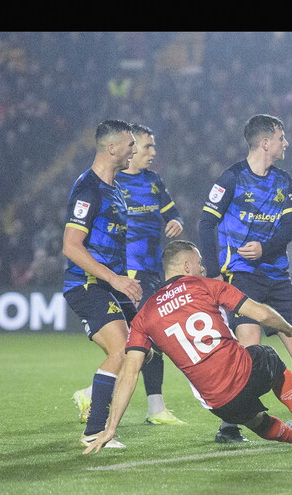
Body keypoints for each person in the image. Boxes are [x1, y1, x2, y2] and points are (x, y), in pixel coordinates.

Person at [82, 240, 292, 453]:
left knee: (256, 421)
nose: (203, 268)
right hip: (244, 373)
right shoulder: (206, 286)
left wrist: (111, 427)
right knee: (268, 356)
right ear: (187, 266)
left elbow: (129, 372)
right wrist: (290, 329)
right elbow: (263, 314)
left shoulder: (144, 315)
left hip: (219, 404)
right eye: (199, 263)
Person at [197, 114, 292, 443]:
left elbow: (290, 229)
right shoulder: (232, 178)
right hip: (242, 276)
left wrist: (264, 248)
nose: (286, 143)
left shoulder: (283, 180)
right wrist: (211, 271)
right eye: (282, 137)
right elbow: (206, 224)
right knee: (249, 352)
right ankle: (231, 425)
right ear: (266, 142)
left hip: (277, 277)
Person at [63, 119, 143, 449]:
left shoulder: (114, 190)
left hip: (111, 284)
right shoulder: (89, 189)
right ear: (112, 148)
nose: (134, 150)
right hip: (86, 284)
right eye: (129, 145)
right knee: (122, 351)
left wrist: (126, 280)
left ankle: (92, 394)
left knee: (142, 351)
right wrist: (113, 278)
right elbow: (71, 245)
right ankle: (95, 430)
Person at [117, 122, 185, 424]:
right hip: (127, 274)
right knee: (145, 338)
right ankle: (96, 395)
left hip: (153, 271)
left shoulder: (154, 181)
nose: (153, 152)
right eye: (148, 146)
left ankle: (155, 408)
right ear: (130, 149)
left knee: (147, 339)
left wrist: (176, 221)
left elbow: (172, 212)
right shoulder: (112, 183)